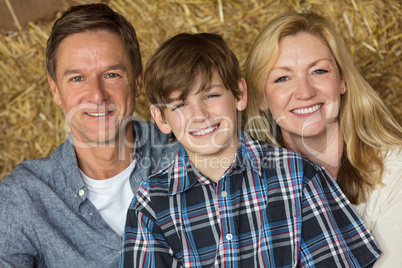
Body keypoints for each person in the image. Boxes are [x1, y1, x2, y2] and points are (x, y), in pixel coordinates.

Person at [120, 32, 381, 267]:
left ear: (240, 95)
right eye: (179, 105)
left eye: (211, 95)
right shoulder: (151, 203)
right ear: (161, 119)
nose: (199, 115)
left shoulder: (298, 176)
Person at [0, 3, 179, 267]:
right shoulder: (25, 197)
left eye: (111, 74)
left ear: (138, 81)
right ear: (55, 90)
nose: (97, 95)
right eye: (77, 79)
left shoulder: (187, 154)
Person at [244, 11, 402, 268]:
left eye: (318, 71)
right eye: (282, 78)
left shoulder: (395, 172)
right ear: (261, 98)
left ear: (342, 81)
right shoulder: (247, 188)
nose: (305, 92)